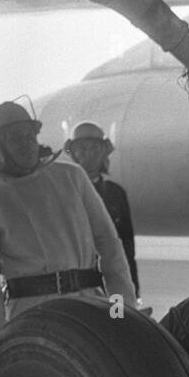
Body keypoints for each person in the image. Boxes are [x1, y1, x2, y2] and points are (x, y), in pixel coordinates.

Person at [0, 101, 138, 346]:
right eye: (15, 138)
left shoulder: (72, 178)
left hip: (88, 309)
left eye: (29, 135)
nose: (26, 143)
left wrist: (120, 314)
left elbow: (111, 250)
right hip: (29, 321)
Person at [64, 120, 140, 294]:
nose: (89, 154)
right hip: (76, 290)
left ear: (104, 152)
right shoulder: (63, 193)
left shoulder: (116, 194)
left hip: (114, 287)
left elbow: (127, 249)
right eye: (82, 148)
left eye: (95, 148)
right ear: (73, 153)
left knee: (117, 319)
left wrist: (133, 296)